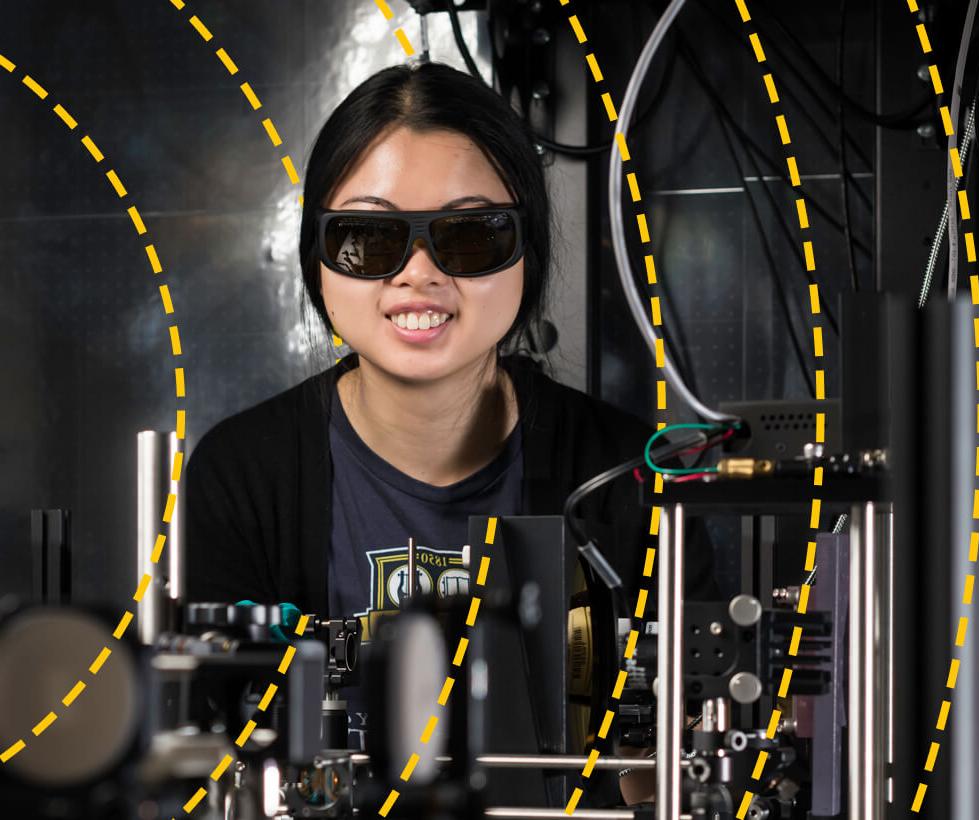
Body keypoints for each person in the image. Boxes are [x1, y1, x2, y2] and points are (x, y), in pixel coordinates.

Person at [182, 62, 715, 792]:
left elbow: (677, 769)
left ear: (528, 251)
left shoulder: (628, 476)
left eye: (470, 236)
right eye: (369, 238)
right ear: (318, 259)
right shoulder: (243, 475)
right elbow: (214, 754)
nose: (419, 273)